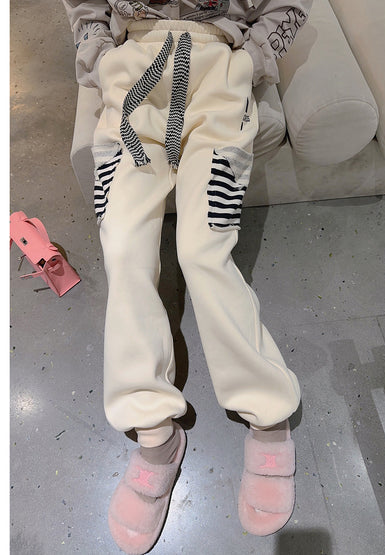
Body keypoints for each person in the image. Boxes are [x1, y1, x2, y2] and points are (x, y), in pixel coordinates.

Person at [61, 1, 312, 553]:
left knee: (204, 250)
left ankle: (267, 411)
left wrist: (253, 57)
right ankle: (154, 433)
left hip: (219, 66)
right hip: (133, 66)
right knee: (123, 246)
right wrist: (100, 56)